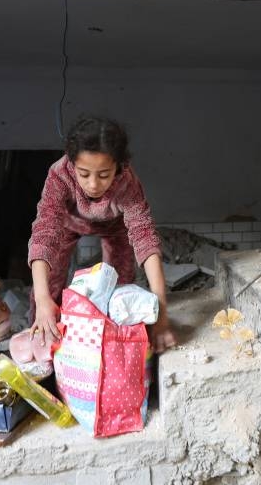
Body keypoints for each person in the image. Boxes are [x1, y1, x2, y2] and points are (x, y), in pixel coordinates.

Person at [28, 116, 177, 354]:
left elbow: (145, 237)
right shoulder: (59, 175)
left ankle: (112, 350)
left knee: (120, 295)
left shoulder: (127, 183)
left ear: (118, 166)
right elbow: (45, 233)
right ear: (72, 163)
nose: (94, 184)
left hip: (115, 228)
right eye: (84, 173)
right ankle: (45, 348)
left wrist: (161, 313)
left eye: (104, 174)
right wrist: (43, 299)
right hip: (67, 225)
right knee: (46, 291)